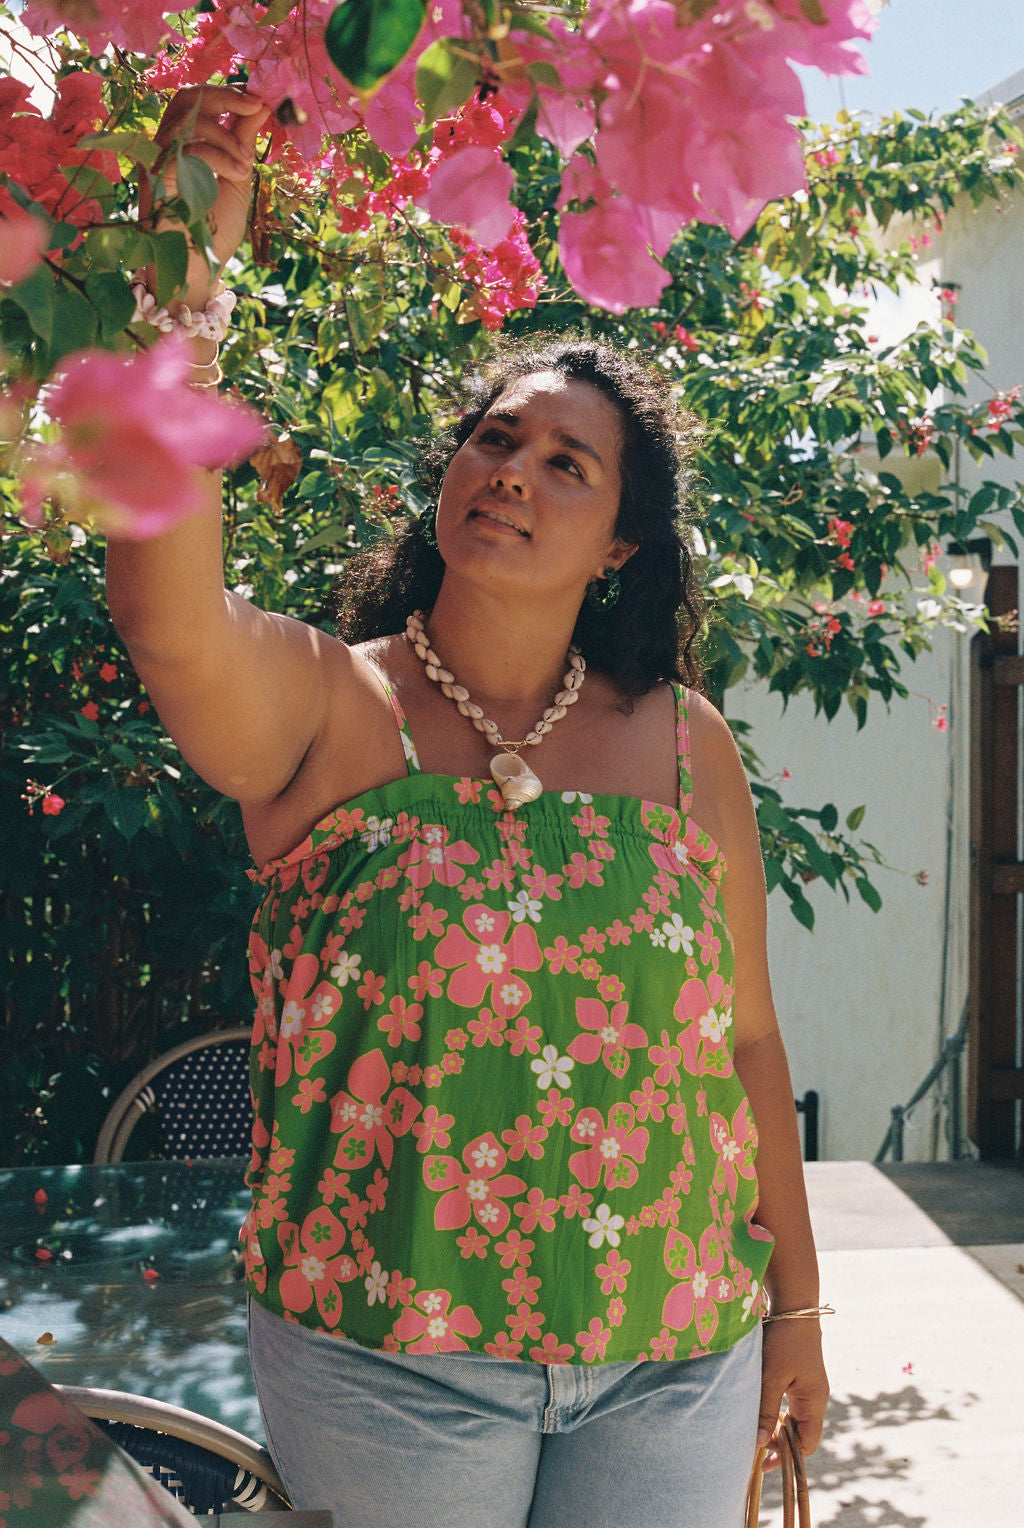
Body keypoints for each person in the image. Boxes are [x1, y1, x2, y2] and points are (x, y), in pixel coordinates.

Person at [108, 87, 829, 1528]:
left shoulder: (687, 747)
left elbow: (745, 1036)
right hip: (391, 1355)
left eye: (568, 463)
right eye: (496, 441)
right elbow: (165, 611)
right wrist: (181, 299)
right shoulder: (325, 703)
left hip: (676, 1345)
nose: (514, 473)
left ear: (619, 542)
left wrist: (796, 1310)